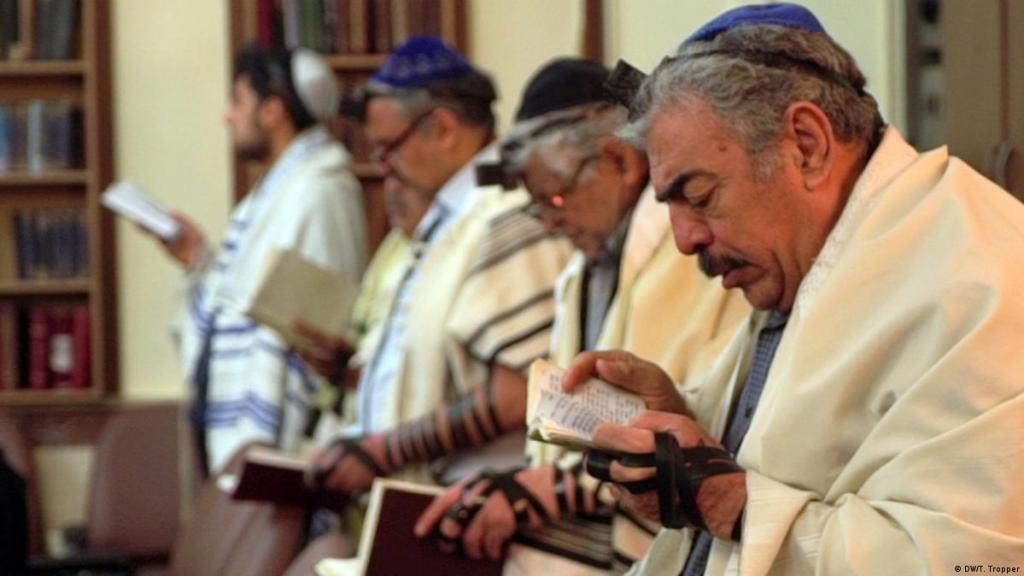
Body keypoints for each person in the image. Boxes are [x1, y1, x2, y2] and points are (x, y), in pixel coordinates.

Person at [549, 3, 1024, 574]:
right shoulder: (814, 253)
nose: (684, 240)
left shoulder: (981, 279)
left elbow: (976, 561)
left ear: (806, 144)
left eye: (699, 196)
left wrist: (729, 503)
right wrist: (681, 416)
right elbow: (781, 448)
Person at [413, 58, 750, 573]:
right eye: (537, 206)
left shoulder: (686, 253)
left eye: (554, 196)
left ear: (619, 160)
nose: (550, 222)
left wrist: (547, 488)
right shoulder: (587, 262)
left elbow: (693, 424)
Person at [299, 37, 573, 495]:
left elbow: (521, 391)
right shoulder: (452, 214)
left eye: (388, 148)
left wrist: (385, 451)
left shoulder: (507, 212)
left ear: (444, 129)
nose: (383, 166)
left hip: (472, 504)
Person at [159, 45, 367, 474]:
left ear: (273, 111)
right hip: (242, 443)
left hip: (284, 445)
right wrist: (197, 260)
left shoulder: (319, 192)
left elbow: (305, 329)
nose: (227, 116)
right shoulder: (276, 191)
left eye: (238, 102)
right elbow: (243, 302)